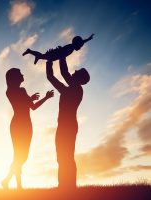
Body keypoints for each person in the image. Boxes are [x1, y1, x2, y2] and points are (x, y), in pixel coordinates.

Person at [2, 68, 54, 189]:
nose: (22, 75)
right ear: (14, 78)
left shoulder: (22, 90)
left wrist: (46, 97)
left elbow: (33, 107)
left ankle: (7, 180)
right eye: (20, 74)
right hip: (18, 125)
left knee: (22, 157)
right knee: (18, 156)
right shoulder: (10, 91)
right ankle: (18, 186)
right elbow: (21, 105)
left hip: (26, 125)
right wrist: (30, 99)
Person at [45, 48, 90, 189]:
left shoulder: (76, 89)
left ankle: (70, 186)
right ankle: (63, 186)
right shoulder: (67, 89)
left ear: (80, 79)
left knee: (67, 157)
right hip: (63, 126)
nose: (74, 71)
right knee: (61, 157)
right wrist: (49, 61)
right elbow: (51, 77)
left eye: (77, 72)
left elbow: (64, 73)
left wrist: (62, 55)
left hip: (69, 126)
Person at [23, 34, 94, 64]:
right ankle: (30, 51)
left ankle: (35, 55)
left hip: (57, 54)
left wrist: (88, 39)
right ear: (77, 44)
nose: (80, 47)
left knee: (43, 56)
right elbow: (62, 52)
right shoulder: (71, 47)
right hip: (56, 54)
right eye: (80, 46)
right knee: (44, 56)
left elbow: (81, 42)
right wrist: (88, 39)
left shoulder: (71, 47)